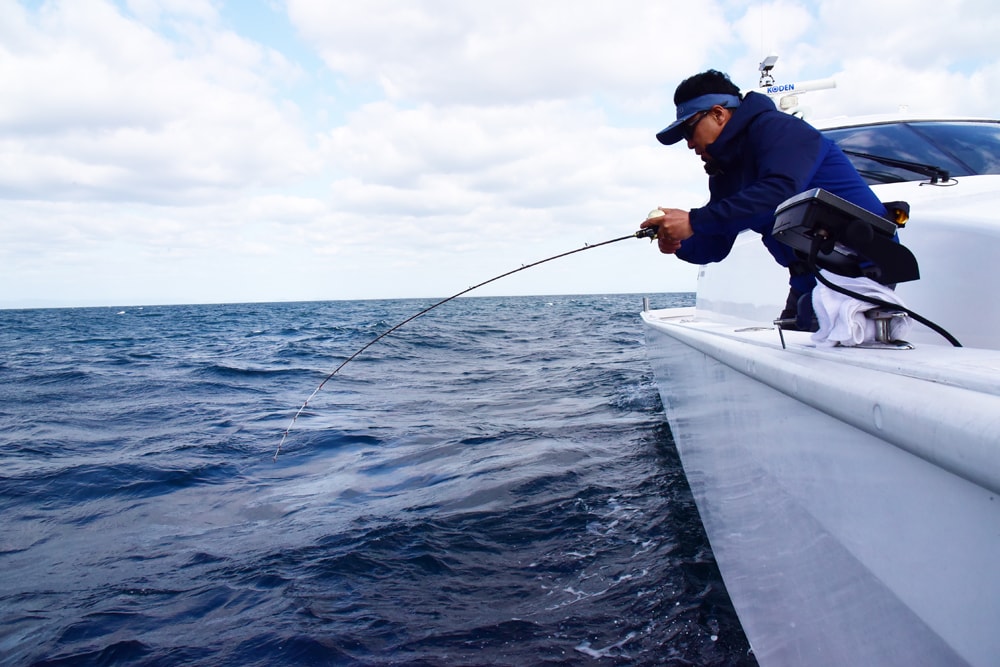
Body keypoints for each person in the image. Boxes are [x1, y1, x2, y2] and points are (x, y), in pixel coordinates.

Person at [640, 69, 889, 330]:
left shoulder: (778, 128)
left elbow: (778, 194)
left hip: (858, 273)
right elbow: (715, 245)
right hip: (810, 281)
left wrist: (693, 220)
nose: (689, 144)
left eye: (689, 130)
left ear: (718, 113)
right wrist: (679, 242)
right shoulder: (726, 170)